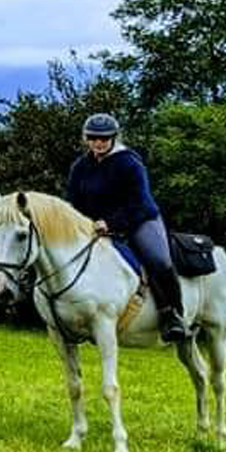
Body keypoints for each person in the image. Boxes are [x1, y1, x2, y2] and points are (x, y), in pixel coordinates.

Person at [67, 113, 189, 343]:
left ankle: (172, 315)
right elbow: (74, 202)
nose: (98, 142)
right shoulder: (80, 167)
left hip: (139, 220)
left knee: (158, 259)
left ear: (114, 137)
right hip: (97, 226)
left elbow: (139, 203)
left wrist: (111, 223)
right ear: (86, 139)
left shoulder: (129, 162)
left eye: (104, 138)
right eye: (93, 138)